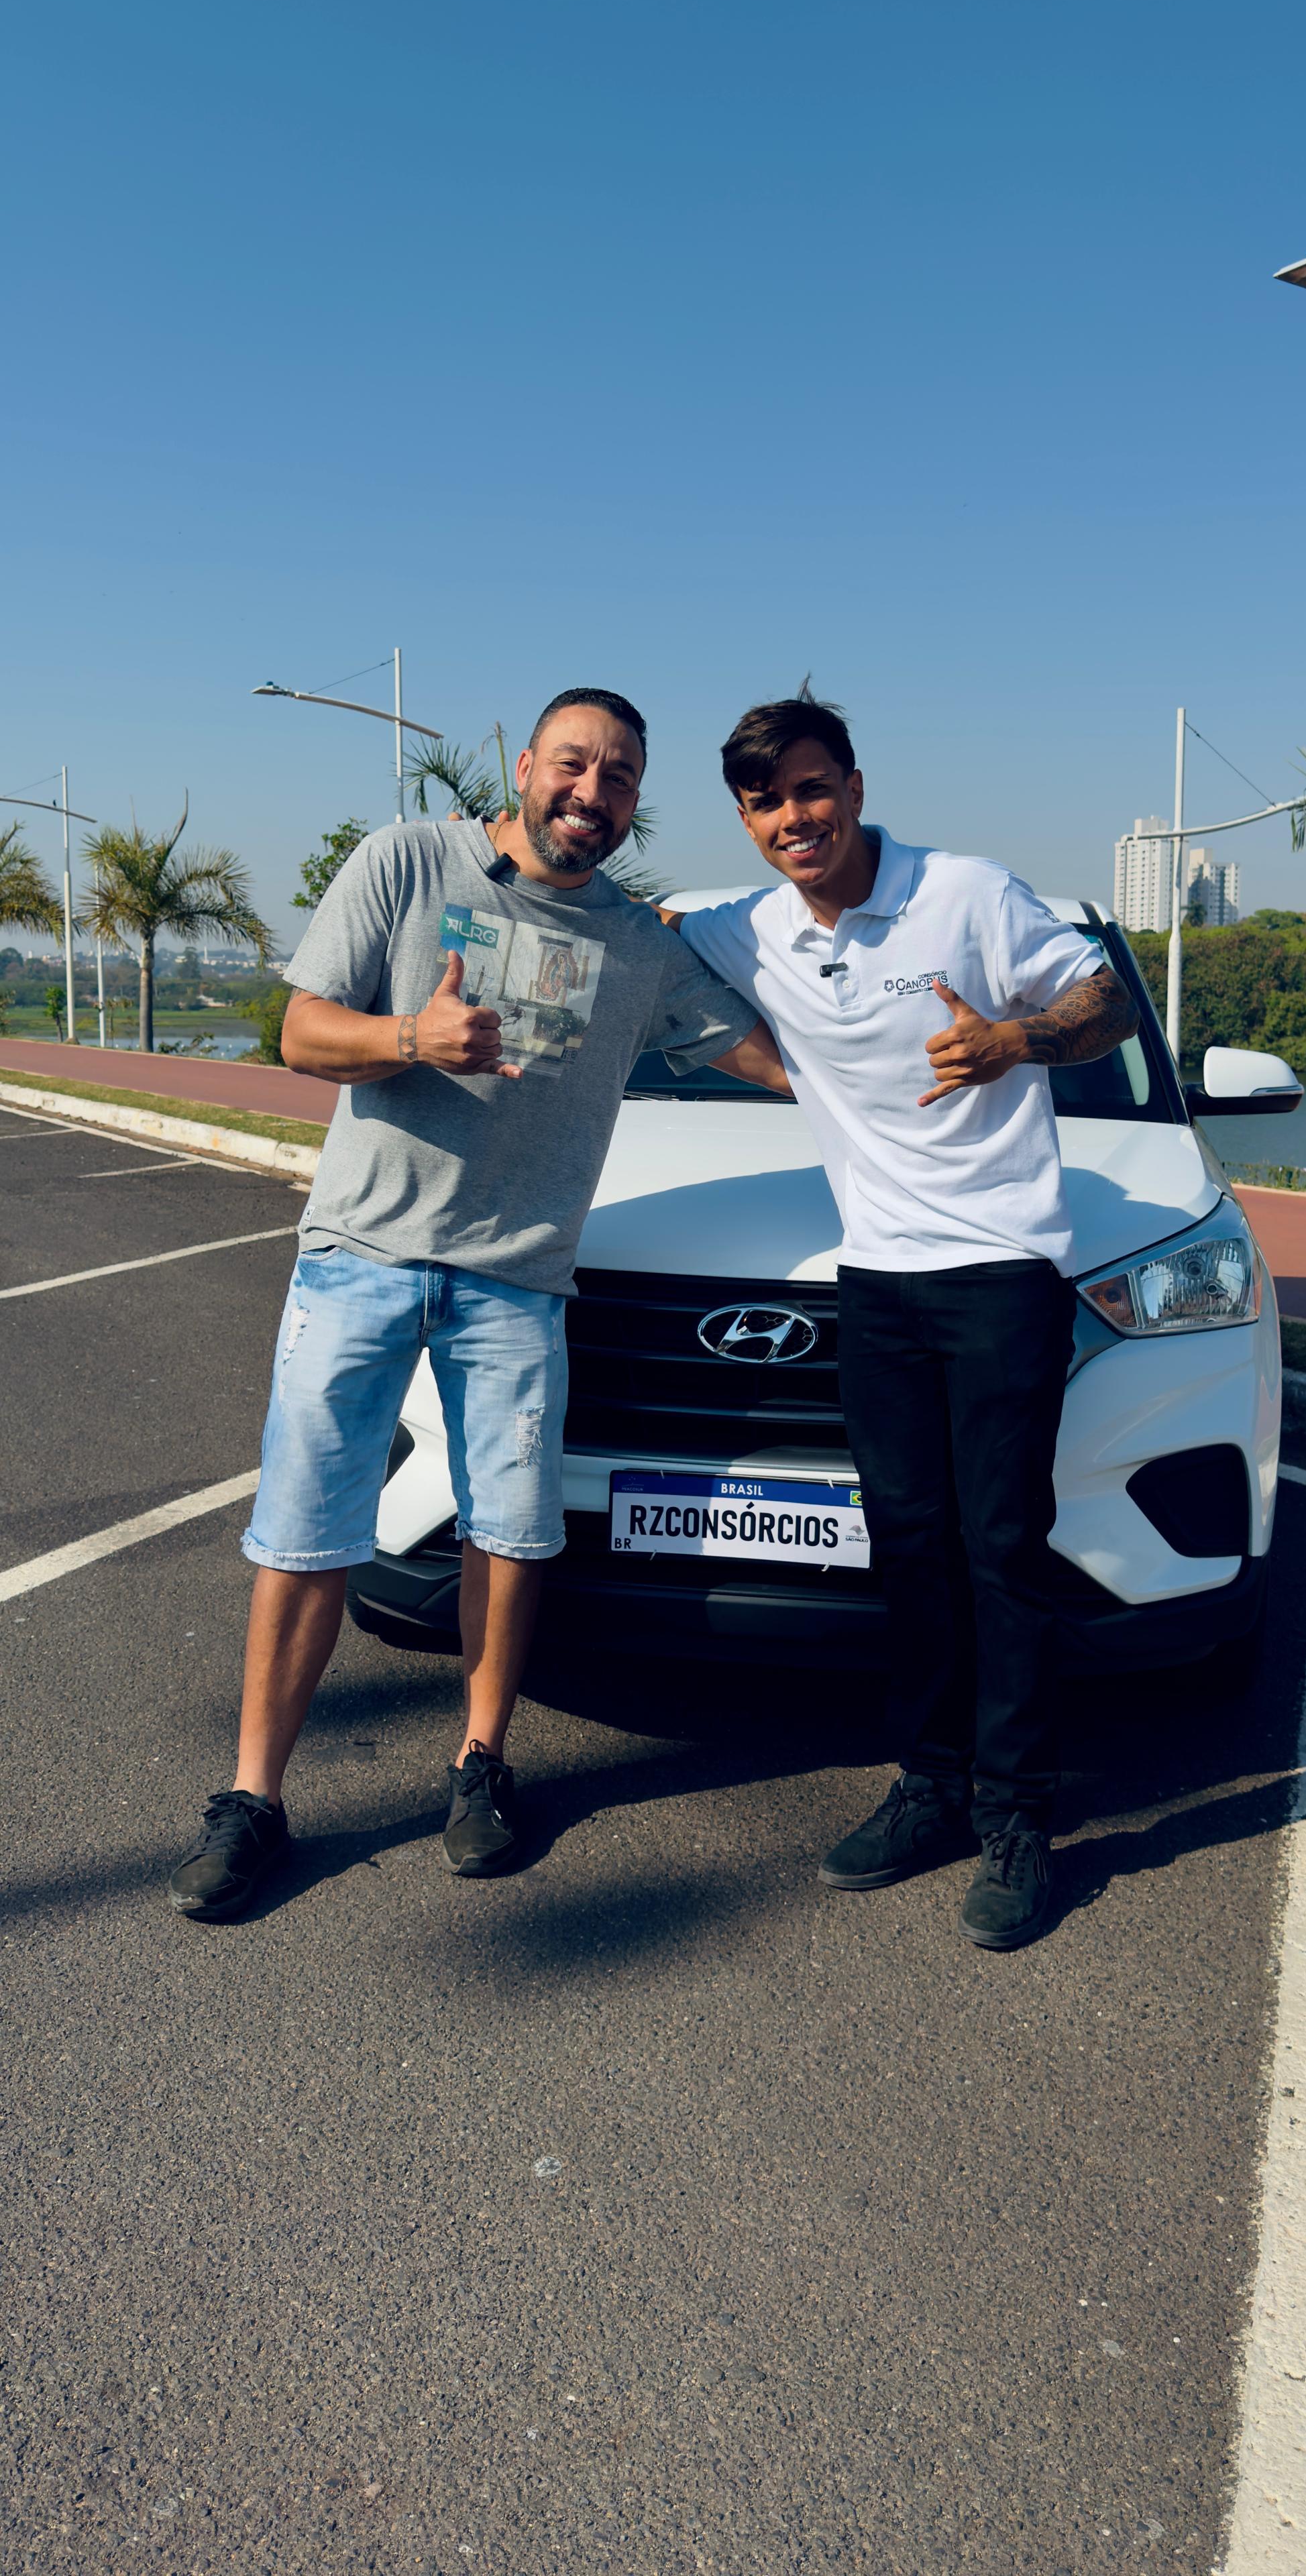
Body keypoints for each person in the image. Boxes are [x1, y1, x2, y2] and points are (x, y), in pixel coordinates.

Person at [169, 689, 777, 1919]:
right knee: (306, 1530)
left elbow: (766, 1055)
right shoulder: (406, 861)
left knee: (509, 1529)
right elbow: (300, 1033)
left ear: (634, 801)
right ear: (524, 764)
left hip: (518, 1279)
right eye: (574, 764)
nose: (592, 792)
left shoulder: (641, 946)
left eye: (619, 777)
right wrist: (414, 1036)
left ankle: (482, 1763)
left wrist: (925, 1072)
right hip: (363, 1252)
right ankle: (252, 1799)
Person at [665, 690, 1136, 1953]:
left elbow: (1111, 1001)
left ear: (856, 787)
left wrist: (1017, 1039)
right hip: (875, 1283)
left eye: (811, 789)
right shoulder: (749, 927)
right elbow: (625, 927)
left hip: (1001, 1272)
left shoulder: (965, 893)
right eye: (765, 802)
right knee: (909, 1543)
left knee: (1002, 1545)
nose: (793, 818)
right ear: (746, 820)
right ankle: (931, 1785)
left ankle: (1018, 1816)